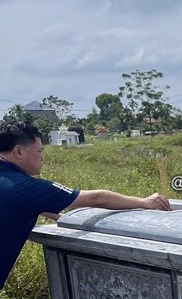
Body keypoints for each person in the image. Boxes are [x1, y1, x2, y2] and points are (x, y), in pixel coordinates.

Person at [0, 121, 171, 289]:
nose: (42, 157)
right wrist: (144, 202)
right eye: (39, 151)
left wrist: (64, 218)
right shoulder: (28, 187)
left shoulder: (13, 185)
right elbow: (96, 198)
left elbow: (32, 204)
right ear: (19, 151)